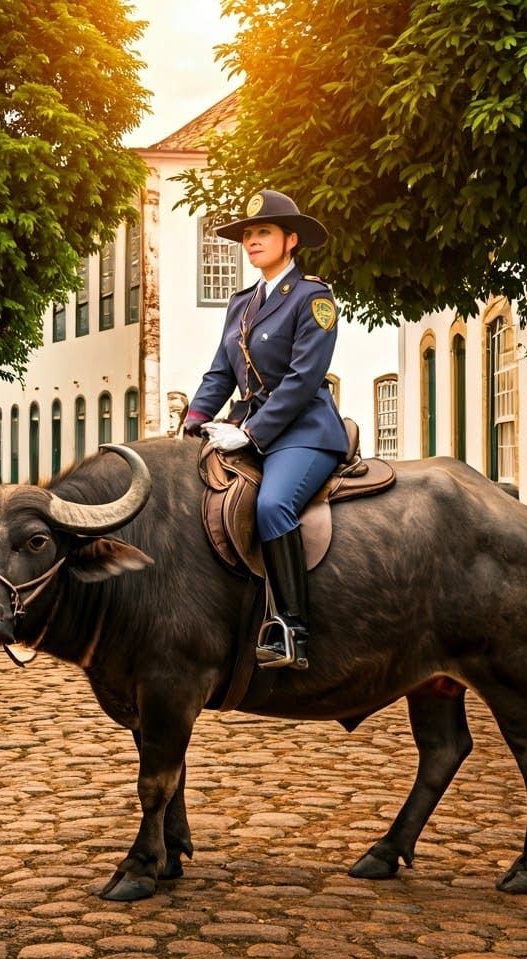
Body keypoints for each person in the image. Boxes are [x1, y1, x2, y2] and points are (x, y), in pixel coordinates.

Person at [183, 189, 348, 670]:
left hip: (303, 430)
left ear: (290, 240)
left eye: (263, 232)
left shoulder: (312, 298)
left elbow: (303, 380)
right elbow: (220, 373)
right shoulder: (241, 305)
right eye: (248, 234)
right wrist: (193, 422)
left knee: (274, 505)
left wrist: (252, 433)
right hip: (247, 425)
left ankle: (292, 628)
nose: (251, 241)